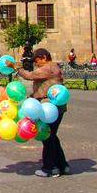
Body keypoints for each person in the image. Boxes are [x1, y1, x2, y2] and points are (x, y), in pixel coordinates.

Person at [14, 48, 69, 177]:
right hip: (56, 108)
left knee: (46, 136)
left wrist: (15, 67)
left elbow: (30, 75)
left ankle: (50, 168)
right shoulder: (53, 67)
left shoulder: (48, 68)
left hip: (48, 109)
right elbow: (44, 86)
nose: (36, 64)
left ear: (44, 57)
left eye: (37, 61)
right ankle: (63, 165)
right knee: (52, 136)